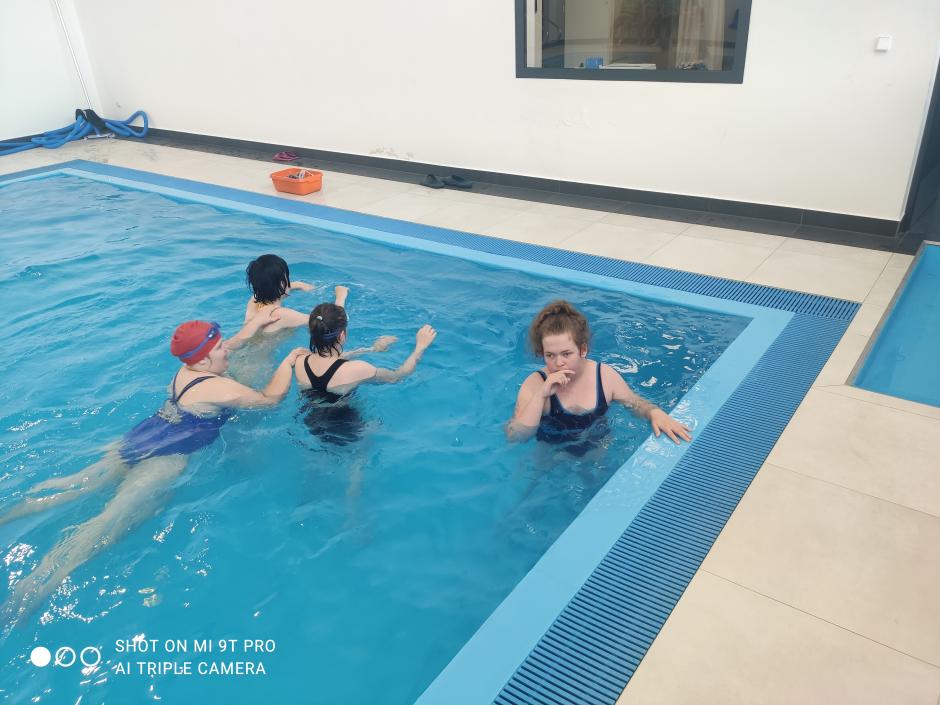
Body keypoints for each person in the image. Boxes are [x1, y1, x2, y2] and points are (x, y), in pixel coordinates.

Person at [0, 311, 308, 624]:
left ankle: (6, 515)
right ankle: (37, 584)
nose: (225, 350)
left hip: (140, 437)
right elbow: (270, 399)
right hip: (165, 457)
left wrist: (254, 326)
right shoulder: (219, 388)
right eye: (219, 348)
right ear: (204, 359)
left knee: (73, 485)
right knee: (107, 521)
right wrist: (289, 362)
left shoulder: (186, 370)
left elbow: (231, 344)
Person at [506, 300, 692, 447]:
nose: (558, 362)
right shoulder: (535, 383)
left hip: (596, 450)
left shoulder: (604, 376)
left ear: (583, 350)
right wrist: (541, 395)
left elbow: (634, 403)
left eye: (566, 354)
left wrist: (655, 413)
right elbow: (516, 437)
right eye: (550, 355)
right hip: (549, 452)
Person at [295, 303, 436, 443]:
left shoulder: (300, 361)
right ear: (342, 335)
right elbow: (397, 376)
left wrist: (372, 349)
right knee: (378, 428)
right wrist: (420, 347)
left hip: (310, 420)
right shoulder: (358, 369)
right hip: (345, 427)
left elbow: (331, 361)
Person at [244, 253, 348, 334]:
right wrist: (340, 296)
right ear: (282, 284)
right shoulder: (281, 315)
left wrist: (299, 285)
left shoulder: (254, 300)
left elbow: (274, 286)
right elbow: (328, 322)